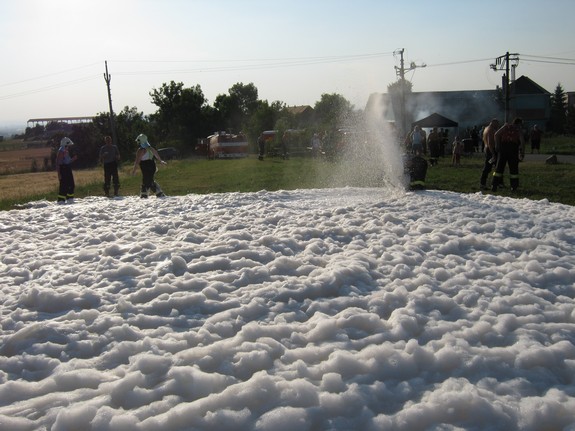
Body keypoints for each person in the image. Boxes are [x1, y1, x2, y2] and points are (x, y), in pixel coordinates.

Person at [492, 117, 525, 192]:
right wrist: (522, 152)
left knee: (499, 168)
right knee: (514, 169)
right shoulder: (518, 129)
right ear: (519, 123)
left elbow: (496, 135)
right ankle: (514, 187)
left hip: (503, 149)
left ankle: (494, 185)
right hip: (513, 149)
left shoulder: (505, 127)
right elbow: (522, 141)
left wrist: (497, 145)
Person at [132, 134, 167, 198]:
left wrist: (134, 170)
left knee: (147, 179)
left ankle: (147, 193)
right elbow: (156, 155)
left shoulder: (140, 150)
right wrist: (161, 161)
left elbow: (137, 161)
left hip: (145, 165)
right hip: (152, 164)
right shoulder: (150, 148)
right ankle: (156, 192)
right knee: (148, 179)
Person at [480, 119, 500, 190]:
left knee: (492, 167)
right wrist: (493, 154)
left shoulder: (486, 128)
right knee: (490, 167)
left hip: (487, 149)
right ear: (494, 123)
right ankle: (484, 183)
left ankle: (497, 182)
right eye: (497, 124)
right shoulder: (491, 130)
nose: (498, 125)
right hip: (491, 151)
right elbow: (490, 143)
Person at [56, 137, 77, 204]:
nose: (69, 147)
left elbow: (67, 161)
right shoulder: (61, 151)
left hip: (67, 168)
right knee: (64, 185)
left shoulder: (65, 151)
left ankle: (70, 198)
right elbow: (58, 163)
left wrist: (73, 159)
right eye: (68, 145)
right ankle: (61, 200)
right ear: (66, 144)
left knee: (71, 184)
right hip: (63, 169)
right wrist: (59, 173)